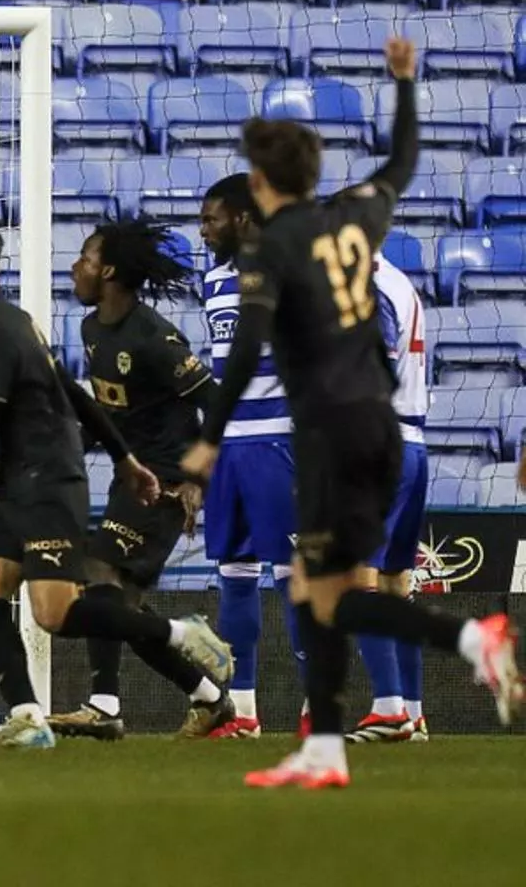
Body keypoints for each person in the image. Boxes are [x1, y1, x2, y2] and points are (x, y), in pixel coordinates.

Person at [181, 37, 522, 789]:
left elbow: (242, 357)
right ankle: (329, 747)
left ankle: (472, 640)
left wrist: (208, 442)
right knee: (320, 585)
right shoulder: (359, 222)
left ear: (263, 185)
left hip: (334, 431)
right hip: (380, 426)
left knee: (332, 588)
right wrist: (404, 84)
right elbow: (400, 162)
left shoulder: (273, 252)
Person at [0, 217, 233, 749]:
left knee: (75, 597)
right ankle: (38, 717)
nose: (75, 268)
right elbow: (80, 399)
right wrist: (125, 460)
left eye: (84, 258)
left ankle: (157, 662)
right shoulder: (56, 327)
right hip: (52, 480)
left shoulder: (10, 330)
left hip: (96, 481)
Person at [45, 218, 235, 741]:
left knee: (100, 573)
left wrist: (199, 479)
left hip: (170, 483)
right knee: (120, 606)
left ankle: (105, 707)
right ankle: (209, 696)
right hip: (133, 479)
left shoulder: (155, 338)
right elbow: (116, 412)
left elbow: (214, 404)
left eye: (83, 259)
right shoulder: (90, 329)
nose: (74, 268)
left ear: (106, 270)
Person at [199, 175, 304, 739]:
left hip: (279, 443)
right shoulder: (212, 279)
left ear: (241, 218)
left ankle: (319, 711)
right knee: (234, 576)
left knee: (295, 578)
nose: (203, 228)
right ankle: (242, 714)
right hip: (230, 450)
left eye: (211, 217)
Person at [347, 251, 430, 743]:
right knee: (397, 582)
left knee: (360, 574)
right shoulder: (403, 283)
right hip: (415, 444)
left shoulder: (369, 289)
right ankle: (414, 714)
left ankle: (388, 709)